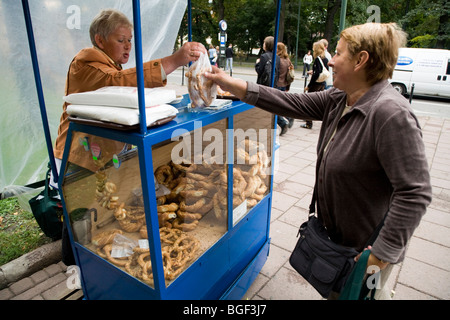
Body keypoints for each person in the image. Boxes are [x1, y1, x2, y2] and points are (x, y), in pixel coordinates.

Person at [205, 22, 432, 300]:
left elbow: (415, 192)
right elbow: (291, 103)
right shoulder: (341, 97)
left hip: (362, 253)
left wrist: (381, 256)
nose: (331, 61)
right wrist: (233, 85)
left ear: (361, 61)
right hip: (336, 244)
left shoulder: (391, 114)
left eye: (338, 53)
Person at [52, 9, 206, 180]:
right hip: (78, 161)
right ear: (100, 40)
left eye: (130, 40)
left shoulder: (110, 64)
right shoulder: (86, 64)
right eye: (121, 40)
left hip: (100, 158)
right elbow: (117, 82)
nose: (128, 45)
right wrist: (174, 61)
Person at [255, 36, 287, 135]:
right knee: (271, 105)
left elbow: (260, 71)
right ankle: (280, 122)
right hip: (273, 85)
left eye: (264, 43)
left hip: (263, 85)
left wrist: (257, 64)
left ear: (267, 45)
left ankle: (280, 122)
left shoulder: (264, 57)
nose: (263, 44)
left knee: (262, 105)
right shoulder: (277, 57)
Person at [302, 41, 329, 129]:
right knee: (319, 103)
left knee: (309, 103)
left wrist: (309, 86)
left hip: (315, 84)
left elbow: (317, 74)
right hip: (322, 83)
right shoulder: (325, 59)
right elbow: (323, 71)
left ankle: (308, 123)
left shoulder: (318, 59)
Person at [276, 42, 294, 128]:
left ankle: (283, 122)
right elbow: (289, 75)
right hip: (284, 84)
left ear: (278, 49)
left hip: (278, 84)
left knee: (276, 105)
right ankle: (288, 117)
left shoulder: (278, 60)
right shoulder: (287, 60)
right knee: (282, 103)